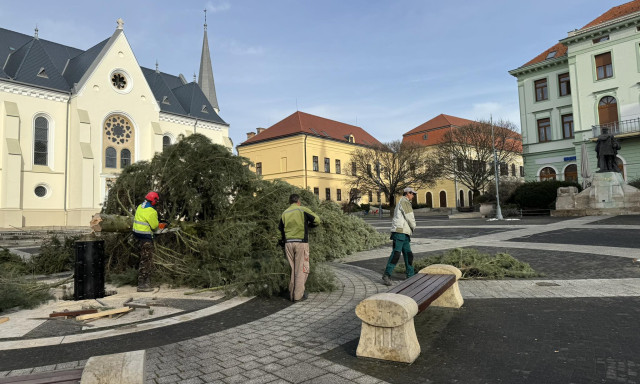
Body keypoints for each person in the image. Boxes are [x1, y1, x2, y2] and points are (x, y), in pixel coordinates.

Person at [279, 194, 321, 302]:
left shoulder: (285, 213)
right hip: (301, 243)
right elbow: (317, 220)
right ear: (298, 201)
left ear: (290, 202)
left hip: (288, 243)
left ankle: (292, 293)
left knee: (293, 269)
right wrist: (309, 225)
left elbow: (280, 229)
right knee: (301, 269)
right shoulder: (302, 210)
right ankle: (298, 296)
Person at [382, 187, 417, 286]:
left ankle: (410, 275)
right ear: (407, 193)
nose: (413, 196)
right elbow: (410, 217)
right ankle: (386, 275)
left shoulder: (404, 202)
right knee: (396, 254)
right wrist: (413, 227)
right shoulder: (404, 202)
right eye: (412, 193)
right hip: (399, 232)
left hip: (404, 232)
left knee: (408, 254)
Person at [132, 191, 160, 292]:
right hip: (145, 237)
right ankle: (142, 285)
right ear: (153, 201)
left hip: (136, 235)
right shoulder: (151, 211)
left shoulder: (140, 206)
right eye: (156, 201)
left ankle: (146, 281)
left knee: (142, 258)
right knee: (146, 260)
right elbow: (154, 226)